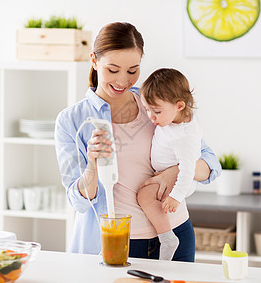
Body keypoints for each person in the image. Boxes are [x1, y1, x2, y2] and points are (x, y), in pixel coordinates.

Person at [54, 22, 221, 262]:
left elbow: (210, 163)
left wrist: (172, 172)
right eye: (113, 70)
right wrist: (92, 164)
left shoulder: (154, 100)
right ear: (94, 61)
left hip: (176, 231)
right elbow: (78, 202)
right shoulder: (72, 120)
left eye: (132, 70)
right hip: (121, 242)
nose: (123, 81)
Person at [137, 68, 202, 261]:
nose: (151, 116)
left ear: (179, 106)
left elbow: (188, 168)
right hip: (168, 175)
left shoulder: (184, 136)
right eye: (147, 109)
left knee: (145, 195)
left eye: (156, 111)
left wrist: (175, 196)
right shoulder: (173, 120)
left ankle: (167, 238)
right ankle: (166, 236)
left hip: (180, 182)